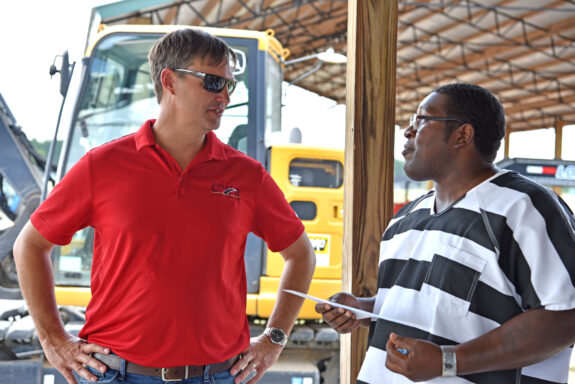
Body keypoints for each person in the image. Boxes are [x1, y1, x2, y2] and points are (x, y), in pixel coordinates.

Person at [13, 28, 315, 384]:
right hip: (116, 374)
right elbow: (29, 245)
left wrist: (275, 338)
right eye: (214, 82)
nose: (226, 97)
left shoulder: (247, 176)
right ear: (169, 80)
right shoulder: (103, 165)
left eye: (230, 85)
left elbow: (301, 255)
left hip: (216, 377)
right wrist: (53, 339)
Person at [316, 83, 575, 383]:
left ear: (462, 135)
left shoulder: (522, 208)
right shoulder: (405, 220)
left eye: (421, 120)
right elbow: (433, 305)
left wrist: (448, 362)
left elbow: (564, 319)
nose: (408, 132)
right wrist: (364, 309)